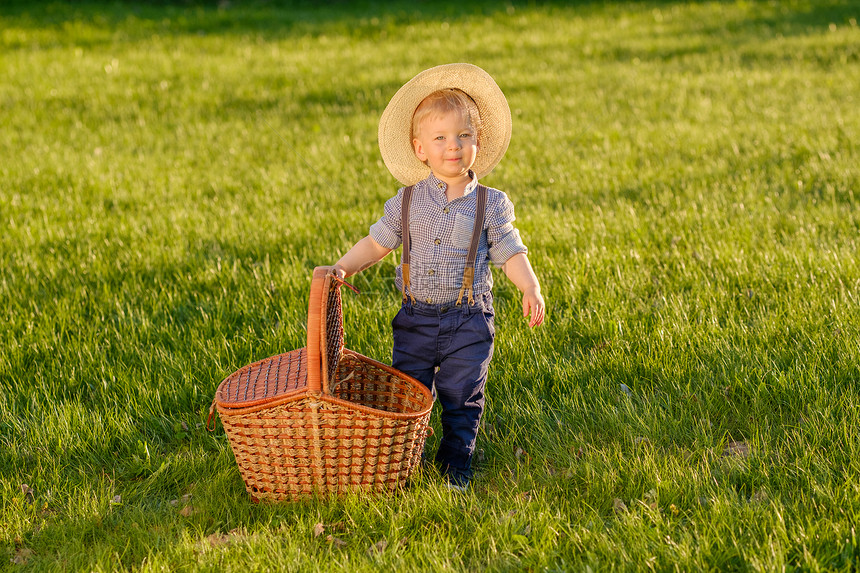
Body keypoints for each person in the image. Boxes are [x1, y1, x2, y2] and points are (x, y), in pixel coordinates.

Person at [333, 63, 544, 491]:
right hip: (415, 319)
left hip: (468, 319)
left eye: (463, 137)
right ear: (420, 149)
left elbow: (509, 250)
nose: (454, 147)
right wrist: (344, 266)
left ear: (477, 143)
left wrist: (529, 285)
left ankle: (455, 464)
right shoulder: (406, 201)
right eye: (441, 138)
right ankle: (402, 462)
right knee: (407, 392)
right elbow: (378, 242)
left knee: (461, 395)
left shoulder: (491, 203)